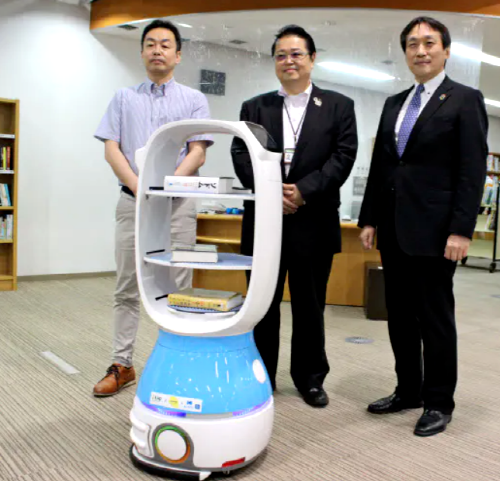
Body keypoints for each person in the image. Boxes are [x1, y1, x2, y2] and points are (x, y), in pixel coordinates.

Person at [358, 16, 488, 436]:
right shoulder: (394, 103)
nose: (421, 50)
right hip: (394, 228)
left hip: (436, 231)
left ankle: (438, 402)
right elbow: (382, 165)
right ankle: (408, 390)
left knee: (434, 319)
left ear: (446, 51)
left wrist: (461, 229)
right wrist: (369, 217)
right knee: (399, 316)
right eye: (412, 44)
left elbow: (472, 170)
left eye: (429, 42)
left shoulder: (464, 99)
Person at [231, 25, 357, 407]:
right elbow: (241, 154)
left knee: (310, 306)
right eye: (281, 55)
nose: (289, 61)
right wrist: (273, 193)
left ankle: (310, 379)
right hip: (265, 224)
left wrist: (303, 191)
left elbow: (343, 157)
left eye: (296, 53)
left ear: (312, 59)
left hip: (313, 221)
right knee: (262, 306)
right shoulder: (255, 108)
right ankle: (261, 376)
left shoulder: (338, 106)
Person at [93, 19, 213, 397]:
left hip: (178, 206)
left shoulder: (194, 99)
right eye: (150, 44)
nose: (157, 50)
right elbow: (112, 149)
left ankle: (175, 364)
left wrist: (166, 188)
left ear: (178, 55)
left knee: (179, 287)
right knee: (127, 286)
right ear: (142, 52)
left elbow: (197, 151)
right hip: (133, 203)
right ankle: (122, 364)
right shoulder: (123, 98)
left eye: (165, 44)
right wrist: (140, 186)